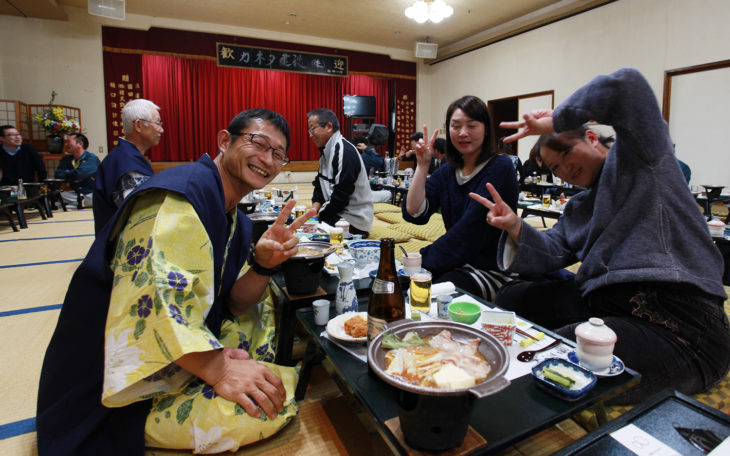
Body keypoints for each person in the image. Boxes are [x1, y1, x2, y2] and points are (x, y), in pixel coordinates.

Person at [37, 108, 317, 455]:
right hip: (113, 377)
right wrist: (218, 368)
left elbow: (232, 303)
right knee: (268, 408)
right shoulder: (178, 198)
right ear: (224, 141)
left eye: (278, 154)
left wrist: (263, 265)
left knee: (267, 308)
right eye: (259, 144)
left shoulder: (232, 215)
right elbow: (153, 308)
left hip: (179, 346)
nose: (267, 160)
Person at [470, 68, 730, 403]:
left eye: (565, 153)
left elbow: (628, 87)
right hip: (609, 306)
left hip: (680, 326)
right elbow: (551, 250)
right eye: (554, 168)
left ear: (592, 138)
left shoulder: (642, 160)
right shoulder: (580, 207)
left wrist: (558, 119)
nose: (564, 169)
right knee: (511, 298)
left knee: (553, 358)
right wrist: (515, 226)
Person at [402, 95, 519, 301]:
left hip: (494, 270)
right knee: (401, 285)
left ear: (486, 129)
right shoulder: (448, 171)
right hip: (456, 261)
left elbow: (468, 232)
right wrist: (422, 166)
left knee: (432, 295)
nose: (463, 133)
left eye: (471, 126)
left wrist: (421, 259)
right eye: (456, 126)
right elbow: (414, 212)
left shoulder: (500, 166)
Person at [93, 99, 161, 234]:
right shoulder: (127, 164)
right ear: (139, 126)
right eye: (158, 123)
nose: (161, 129)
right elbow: (144, 216)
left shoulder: (123, 156)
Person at [307, 108, 373, 236]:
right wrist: (314, 210)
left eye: (312, 129)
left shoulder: (344, 151)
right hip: (336, 214)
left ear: (328, 127)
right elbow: (319, 184)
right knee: (303, 226)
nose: (310, 134)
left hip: (353, 221)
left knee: (310, 236)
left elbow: (341, 196)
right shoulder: (326, 152)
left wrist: (320, 216)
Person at [54, 133, 100, 208]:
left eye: (68, 142)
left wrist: (69, 175)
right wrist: (73, 177)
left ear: (80, 144)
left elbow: (79, 174)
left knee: (94, 198)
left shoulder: (91, 159)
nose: (66, 144)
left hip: (91, 194)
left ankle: (70, 205)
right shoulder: (66, 159)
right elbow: (58, 175)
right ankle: (75, 204)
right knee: (56, 194)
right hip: (75, 195)